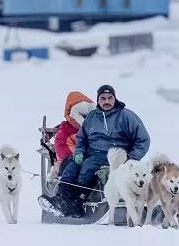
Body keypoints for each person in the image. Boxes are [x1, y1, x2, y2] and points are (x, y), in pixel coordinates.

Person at [38, 84, 150, 218]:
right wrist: (79, 151)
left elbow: (143, 139)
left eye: (110, 98)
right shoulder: (91, 117)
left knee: (88, 167)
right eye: (103, 98)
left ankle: (77, 203)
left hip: (116, 155)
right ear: (98, 100)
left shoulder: (126, 116)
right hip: (93, 153)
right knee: (73, 164)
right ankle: (62, 198)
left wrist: (132, 157)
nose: (107, 101)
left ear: (115, 99)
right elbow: (82, 138)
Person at [42, 91, 95, 183]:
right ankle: (64, 194)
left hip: (91, 162)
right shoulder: (65, 130)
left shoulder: (96, 129)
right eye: (82, 115)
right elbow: (65, 153)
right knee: (76, 164)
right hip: (68, 164)